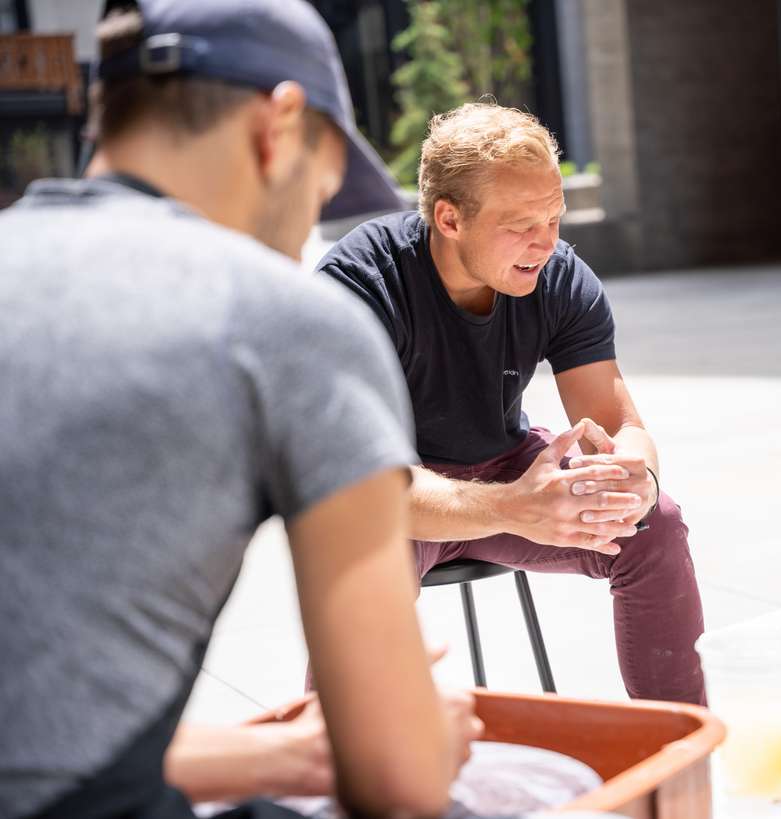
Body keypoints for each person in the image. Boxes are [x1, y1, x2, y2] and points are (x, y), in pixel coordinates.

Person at [0, 1, 474, 816]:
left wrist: (286, 753)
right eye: (321, 192)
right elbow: (398, 779)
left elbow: (38, 741)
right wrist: (423, 734)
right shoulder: (285, 321)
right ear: (278, 126)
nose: (304, 240)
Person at [316, 103, 706, 704]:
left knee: (656, 527)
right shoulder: (361, 285)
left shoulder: (559, 278)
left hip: (505, 467)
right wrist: (511, 508)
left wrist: (638, 476)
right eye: (521, 223)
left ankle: (682, 759)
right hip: (396, 499)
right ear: (449, 219)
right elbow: (364, 488)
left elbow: (617, 424)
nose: (545, 242)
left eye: (554, 217)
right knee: (358, 559)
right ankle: (332, 773)